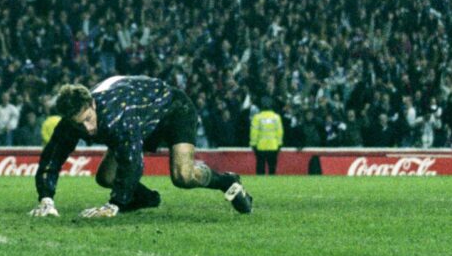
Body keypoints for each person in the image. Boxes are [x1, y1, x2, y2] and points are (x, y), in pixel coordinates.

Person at [29, 76, 252, 218]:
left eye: (89, 118)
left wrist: (113, 205)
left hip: (173, 110)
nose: (87, 129)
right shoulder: (70, 123)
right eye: (80, 124)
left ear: (93, 104)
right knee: (106, 178)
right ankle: (146, 199)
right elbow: (52, 157)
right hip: (140, 117)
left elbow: (133, 161)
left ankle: (227, 181)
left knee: (183, 176)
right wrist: (46, 199)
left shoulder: (117, 115)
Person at [250, 97, 284, 175]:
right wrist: (279, 144)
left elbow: (254, 133)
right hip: (273, 146)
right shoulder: (276, 117)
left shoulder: (257, 117)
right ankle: (272, 184)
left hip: (260, 147)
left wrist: (253, 144)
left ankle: (260, 185)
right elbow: (279, 132)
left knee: (260, 168)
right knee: (272, 168)